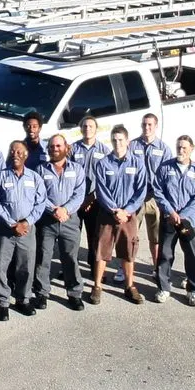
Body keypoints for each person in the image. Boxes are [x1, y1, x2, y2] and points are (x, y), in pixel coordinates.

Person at [90, 125, 148, 305]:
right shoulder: (103, 163)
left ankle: (130, 286)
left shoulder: (137, 163)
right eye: (114, 140)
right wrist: (114, 210)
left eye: (121, 140)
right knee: (102, 251)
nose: (117, 143)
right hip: (108, 214)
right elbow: (101, 190)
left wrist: (127, 210)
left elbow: (141, 190)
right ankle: (97, 286)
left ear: (128, 141)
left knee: (128, 251)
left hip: (128, 216)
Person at [0, 141, 47, 321]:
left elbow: (41, 203)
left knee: (26, 266)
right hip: (6, 230)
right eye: (12, 151)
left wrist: (27, 222)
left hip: (27, 230)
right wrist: (10, 223)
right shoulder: (0, 177)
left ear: (26, 155)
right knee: (1, 267)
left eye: (19, 152)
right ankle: (2, 302)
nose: (15, 154)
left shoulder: (34, 178)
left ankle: (23, 299)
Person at [33, 135, 86, 312]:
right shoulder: (41, 170)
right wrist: (54, 210)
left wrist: (65, 210)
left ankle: (74, 294)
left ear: (66, 148)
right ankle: (41, 293)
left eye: (58, 145)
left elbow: (79, 194)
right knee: (43, 257)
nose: (54, 149)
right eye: (51, 146)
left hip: (70, 221)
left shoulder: (77, 169)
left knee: (70, 258)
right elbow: (39, 195)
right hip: (47, 221)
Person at [152, 135, 195, 306]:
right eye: (178, 147)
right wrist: (170, 211)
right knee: (165, 255)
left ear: (191, 148)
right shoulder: (165, 168)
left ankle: (193, 290)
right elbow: (158, 191)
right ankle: (164, 288)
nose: (181, 151)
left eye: (184, 148)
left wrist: (182, 216)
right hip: (169, 220)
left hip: (189, 222)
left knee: (191, 256)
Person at [126, 113, 173, 278]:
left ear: (156, 126)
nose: (146, 128)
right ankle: (124, 268)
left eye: (150, 125)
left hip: (155, 199)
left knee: (156, 237)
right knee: (131, 235)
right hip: (136, 198)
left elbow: (168, 175)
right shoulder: (132, 146)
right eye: (144, 124)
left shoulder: (164, 149)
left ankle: (156, 267)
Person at [71, 115, 111, 276]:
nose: (87, 129)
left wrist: (92, 197)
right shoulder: (73, 149)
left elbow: (107, 178)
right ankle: (70, 268)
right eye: (85, 126)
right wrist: (77, 198)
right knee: (73, 236)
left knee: (95, 235)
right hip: (75, 200)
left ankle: (95, 268)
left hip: (95, 200)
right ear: (81, 129)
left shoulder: (104, 151)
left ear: (96, 130)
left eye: (91, 126)